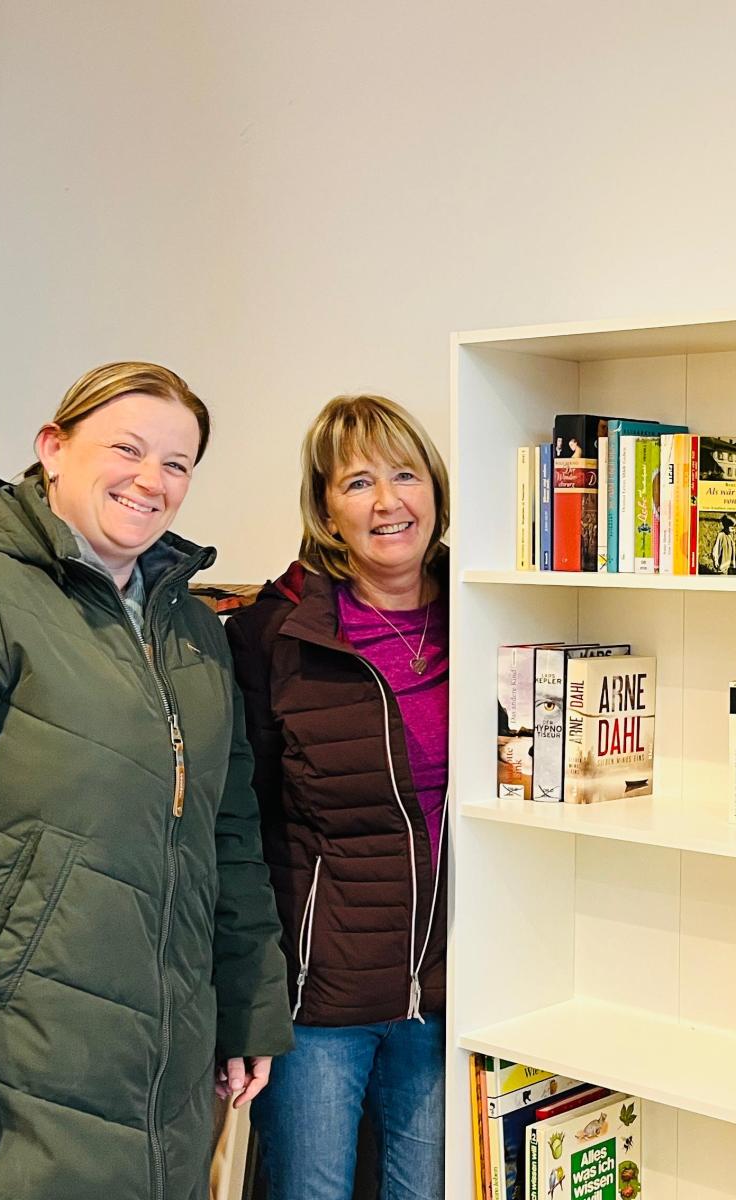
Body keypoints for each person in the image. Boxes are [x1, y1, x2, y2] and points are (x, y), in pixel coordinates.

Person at [0, 362, 293, 1200]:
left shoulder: (190, 626)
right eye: (128, 447)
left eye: (177, 464)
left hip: (157, 1087)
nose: (152, 479)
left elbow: (227, 831)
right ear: (53, 448)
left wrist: (247, 1003)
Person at [225, 394, 451, 1200]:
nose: (388, 502)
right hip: (317, 1005)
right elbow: (236, 834)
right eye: (357, 483)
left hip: (448, 993)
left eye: (404, 475)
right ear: (326, 508)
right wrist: (245, 1002)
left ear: (436, 489)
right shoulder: (274, 635)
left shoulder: (489, 608)